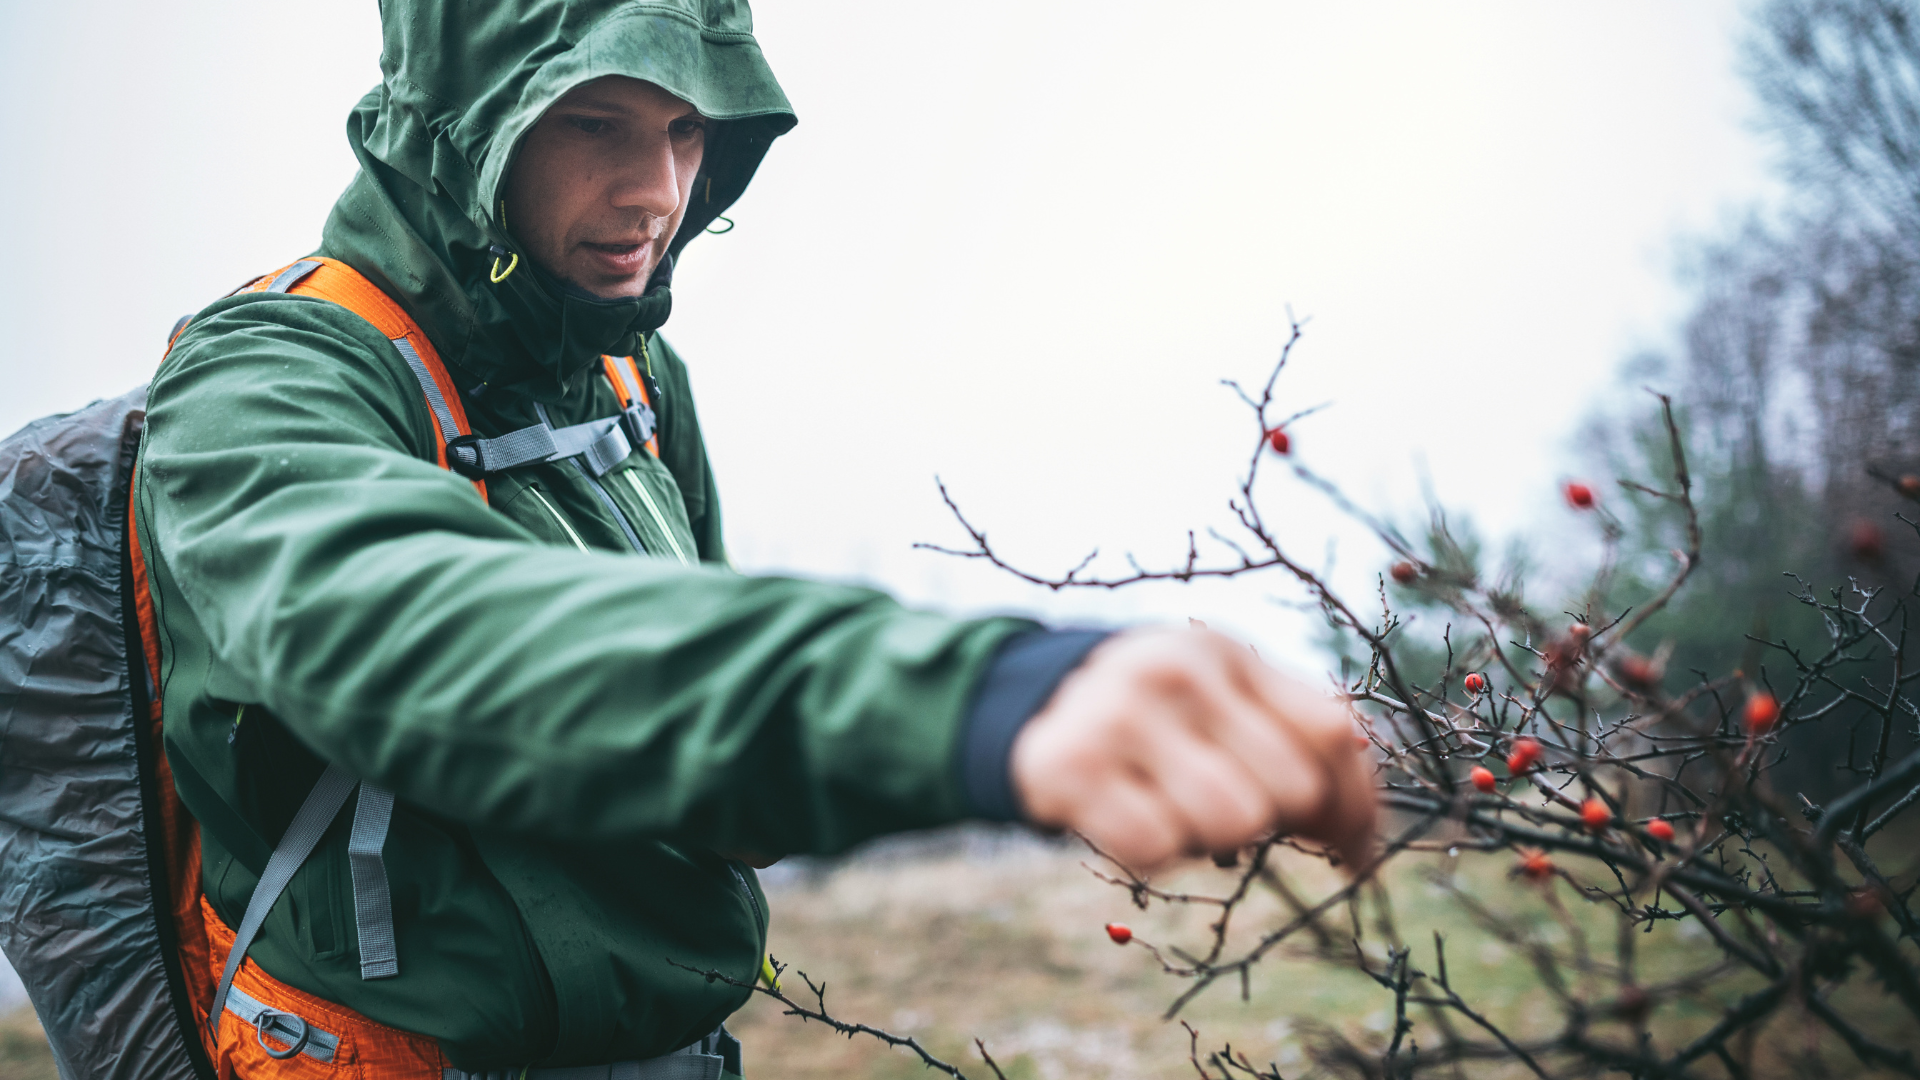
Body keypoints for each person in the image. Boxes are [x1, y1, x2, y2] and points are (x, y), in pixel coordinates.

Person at [131, 0, 1376, 1074]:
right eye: (595, 124)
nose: (659, 193)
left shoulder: (628, 377)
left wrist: (772, 778)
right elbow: (415, 637)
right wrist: (966, 704)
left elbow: (698, 719)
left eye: (685, 132)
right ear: (465, 123)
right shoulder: (266, 380)